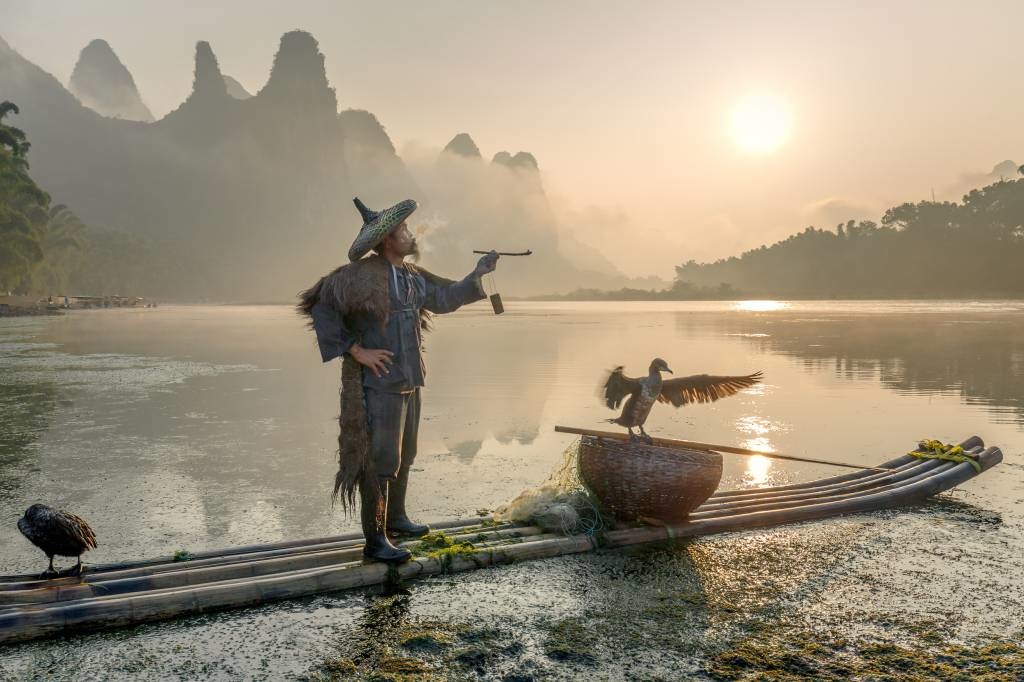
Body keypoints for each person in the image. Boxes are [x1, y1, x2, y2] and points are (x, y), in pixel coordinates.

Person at [298, 197, 499, 562]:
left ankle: (397, 519)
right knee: (380, 459)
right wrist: (356, 350)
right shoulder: (357, 276)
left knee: (406, 454)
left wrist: (477, 274)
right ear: (387, 240)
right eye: (404, 229)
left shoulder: (411, 276)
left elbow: (443, 298)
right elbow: (319, 305)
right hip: (380, 384)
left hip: (410, 377)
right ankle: (375, 541)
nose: (410, 234)